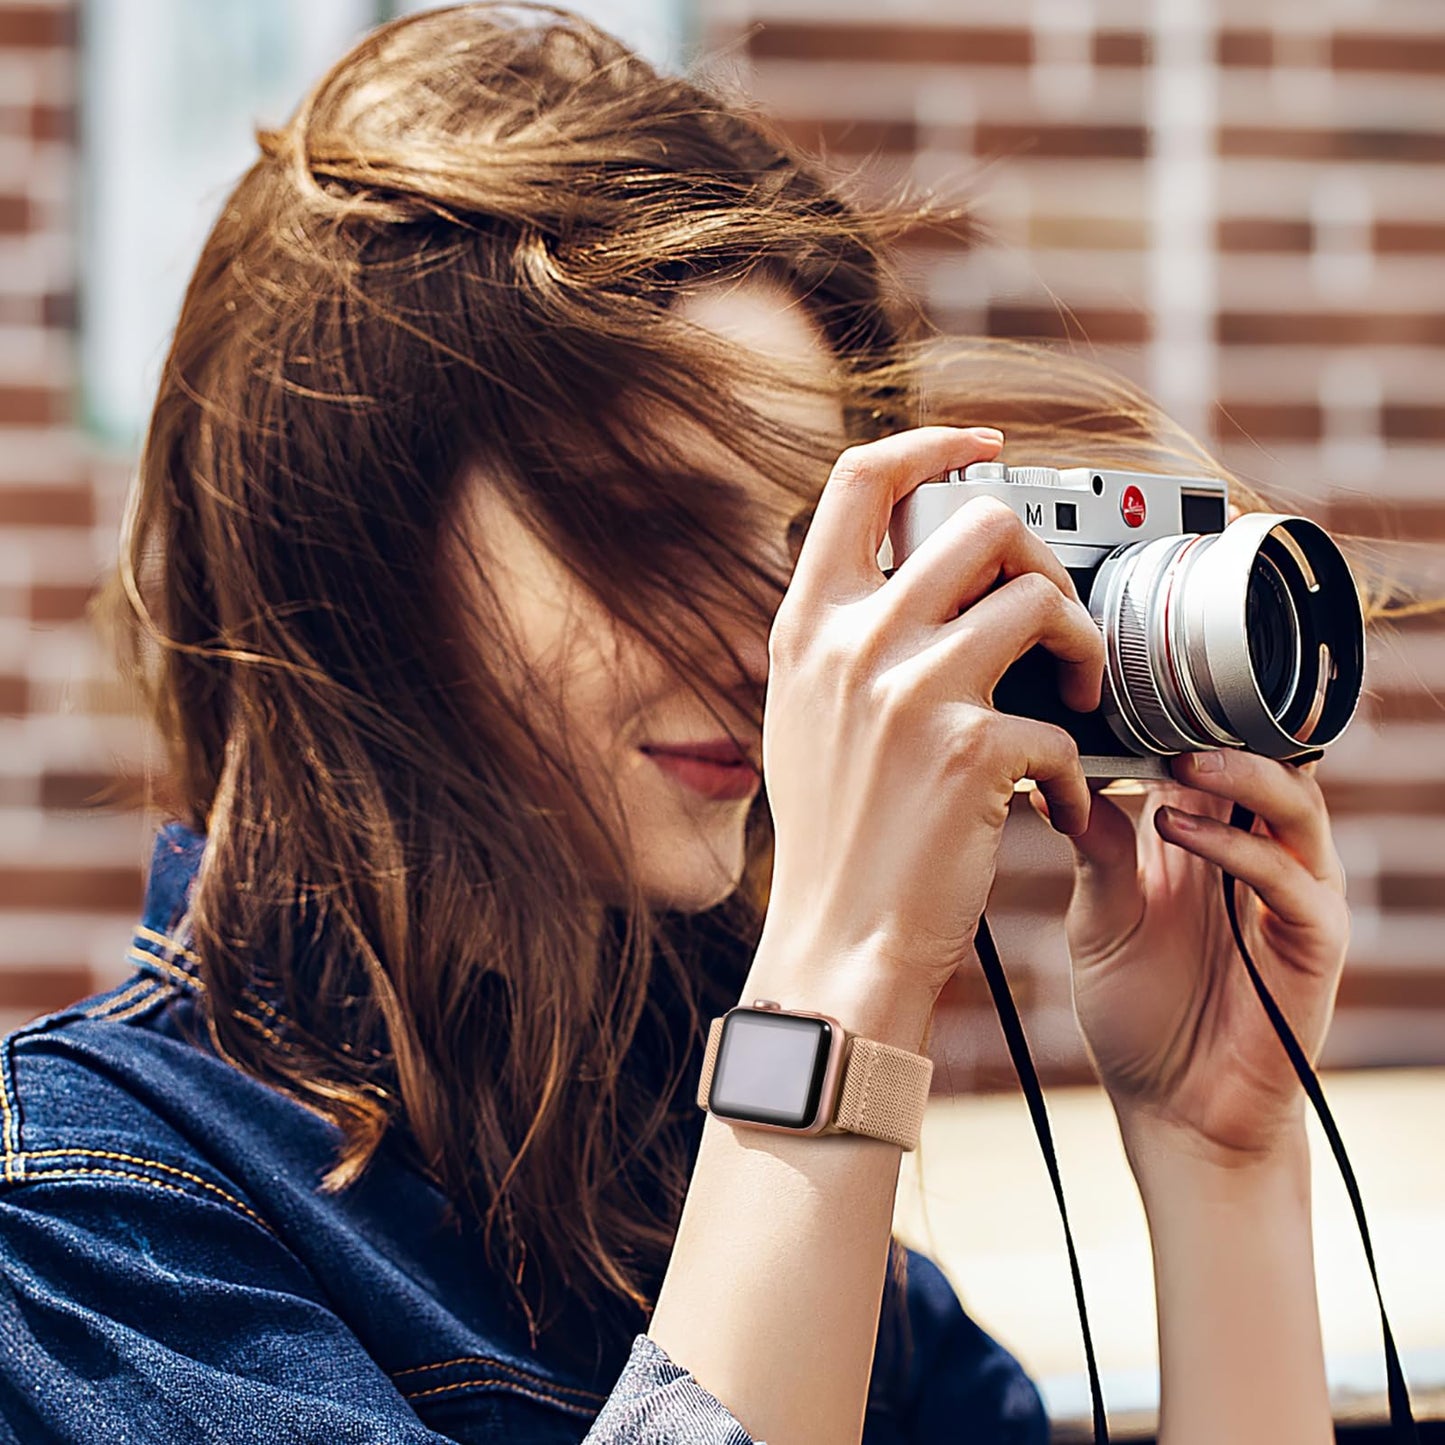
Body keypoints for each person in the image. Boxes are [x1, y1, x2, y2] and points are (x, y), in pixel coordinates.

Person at [0, 5, 1353, 1442]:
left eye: (803, 553)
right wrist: (835, 989)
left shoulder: (746, 1207)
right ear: (348, 557)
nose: (775, 646)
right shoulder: (89, 1221)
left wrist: (1222, 1166)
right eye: (645, 529)